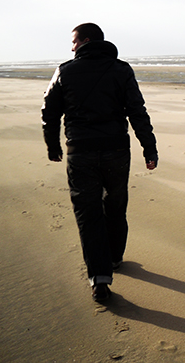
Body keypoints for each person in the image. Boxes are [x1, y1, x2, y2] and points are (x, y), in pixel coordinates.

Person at [41, 23, 158, 302]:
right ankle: (115, 257)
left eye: (74, 41)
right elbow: (137, 111)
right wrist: (149, 148)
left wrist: (53, 145)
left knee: (88, 213)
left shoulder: (65, 70)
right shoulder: (121, 69)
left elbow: (49, 110)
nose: (71, 47)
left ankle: (100, 278)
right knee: (116, 204)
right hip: (116, 149)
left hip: (80, 151)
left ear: (85, 40)